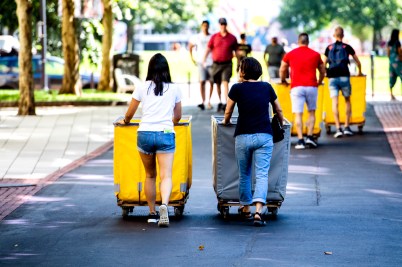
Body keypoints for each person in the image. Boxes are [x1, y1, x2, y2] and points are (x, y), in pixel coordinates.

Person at [116, 53, 182, 227]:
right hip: (165, 133)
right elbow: (178, 116)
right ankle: (165, 206)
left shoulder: (141, 87)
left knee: (150, 175)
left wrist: (126, 121)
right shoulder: (174, 89)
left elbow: (129, 113)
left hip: (144, 133)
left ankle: (152, 213)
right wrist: (170, 124)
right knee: (166, 175)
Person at [222, 57, 284, 226]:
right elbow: (278, 108)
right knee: (262, 174)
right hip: (264, 136)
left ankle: (245, 208)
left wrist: (226, 122)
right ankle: (258, 211)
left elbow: (228, 110)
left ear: (242, 71)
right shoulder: (266, 87)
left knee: (245, 174)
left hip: (243, 136)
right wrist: (282, 121)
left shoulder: (236, 88)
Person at [279, 33, 325, 149]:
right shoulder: (315, 54)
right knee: (311, 112)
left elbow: (282, 68)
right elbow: (323, 70)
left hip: (296, 87)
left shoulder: (290, 54)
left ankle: (300, 140)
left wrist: (283, 80)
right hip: (312, 86)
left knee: (298, 113)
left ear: (298, 41)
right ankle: (309, 137)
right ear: (308, 42)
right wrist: (319, 81)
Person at [323, 26, 363, 138]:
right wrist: (359, 72)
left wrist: (325, 74)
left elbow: (323, 64)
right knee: (347, 101)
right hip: (345, 76)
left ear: (334, 36)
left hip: (332, 77)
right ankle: (346, 126)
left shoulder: (329, 48)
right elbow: (358, 62)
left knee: (334, 102)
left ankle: (338, 128)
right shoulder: (347, 47)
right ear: (343, 35)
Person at [203, 17, 238, 112]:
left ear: (226, 25)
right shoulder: (214, 37)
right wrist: (204, 60)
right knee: (217, 83)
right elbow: (208, 48)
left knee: (225, 82)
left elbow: (237, 51)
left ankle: (226, 102)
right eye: (221, 24)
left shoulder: (232, 37)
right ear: (219, 25)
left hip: (227, 64)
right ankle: (221, 102)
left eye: (224, 24)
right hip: (216, 64)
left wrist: (239, 63)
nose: (223, 26)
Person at [189, 20, 214, 110]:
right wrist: (192, 58)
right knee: (202, 81)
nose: (205, 27)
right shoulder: (197, 37)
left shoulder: (212, 36)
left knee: (211, 82)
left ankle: (209, 101)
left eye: (207, 25)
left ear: (208, 26)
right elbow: (190, 46)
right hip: (201, 61)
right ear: (201, 26)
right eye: (204, 25)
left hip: (211, 61)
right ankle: (203, 101)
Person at [387, 29, 402, 101]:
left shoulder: (389, 43)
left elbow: (388, 53)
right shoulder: (397, 42)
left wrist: (391, 60)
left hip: (391, 62)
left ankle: (391, 94)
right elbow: (399, 53)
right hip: (398, 63)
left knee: (392, 78)